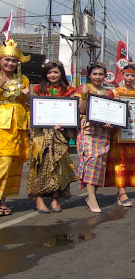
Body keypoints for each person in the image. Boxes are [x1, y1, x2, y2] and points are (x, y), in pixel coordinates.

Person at [27, 61, 77, 213]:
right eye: (49, 72)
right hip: (41, 134)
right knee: (40, 166)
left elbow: (73, 112)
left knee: (59, 167)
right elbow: (33, 111)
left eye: (55, 72)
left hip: (60, 134)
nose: (53, 75)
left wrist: (65, 124)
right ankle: (39, 198)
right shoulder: (37, 90)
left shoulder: (69, 91)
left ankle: (55, 198)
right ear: (45, 75)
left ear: (61, 73)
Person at [104, 65, 135, 207]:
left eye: (132, 75)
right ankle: (122, 191)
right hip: (118, 134)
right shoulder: (114, 92)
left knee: (131, 163)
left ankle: (122, 190)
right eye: (127, 75)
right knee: (120, 163)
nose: (130, 78)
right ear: (122, 75)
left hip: (134, 133)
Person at [76, 62, 115, 213]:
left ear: (105, 76)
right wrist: (85, 95)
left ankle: (91, 195)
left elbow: (111, 112)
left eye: (101, 74)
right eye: (95, 74)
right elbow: (81, 109)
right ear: (90, 76)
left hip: (103, 132)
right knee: (90, 161)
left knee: (99, 164)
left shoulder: (109, 93)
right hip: (88, 130)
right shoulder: (82, 89)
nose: (98, 77)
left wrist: (110, 122)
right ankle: (91, 197)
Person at [0, 39, 31, 216]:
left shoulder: (23, 79)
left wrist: (26, 97)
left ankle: (3, 200)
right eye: (7, 60)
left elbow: (26, 105)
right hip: (1, 124)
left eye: (14, 60)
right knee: (2, 162)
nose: (10, 63)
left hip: (17, 126)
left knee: (13, 164)